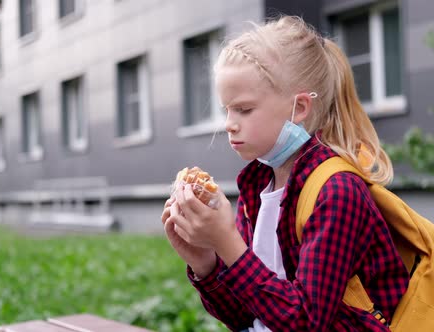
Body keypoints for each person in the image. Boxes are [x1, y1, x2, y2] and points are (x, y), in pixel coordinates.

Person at [161, 16, 409, 331]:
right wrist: (205, 262)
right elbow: (247, 315)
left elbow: (305, 322)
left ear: (300, 107)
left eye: (244, 109)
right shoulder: (257, 187)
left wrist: (227, 243)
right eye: (227, 110)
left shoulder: (336, 192)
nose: (229, 124)